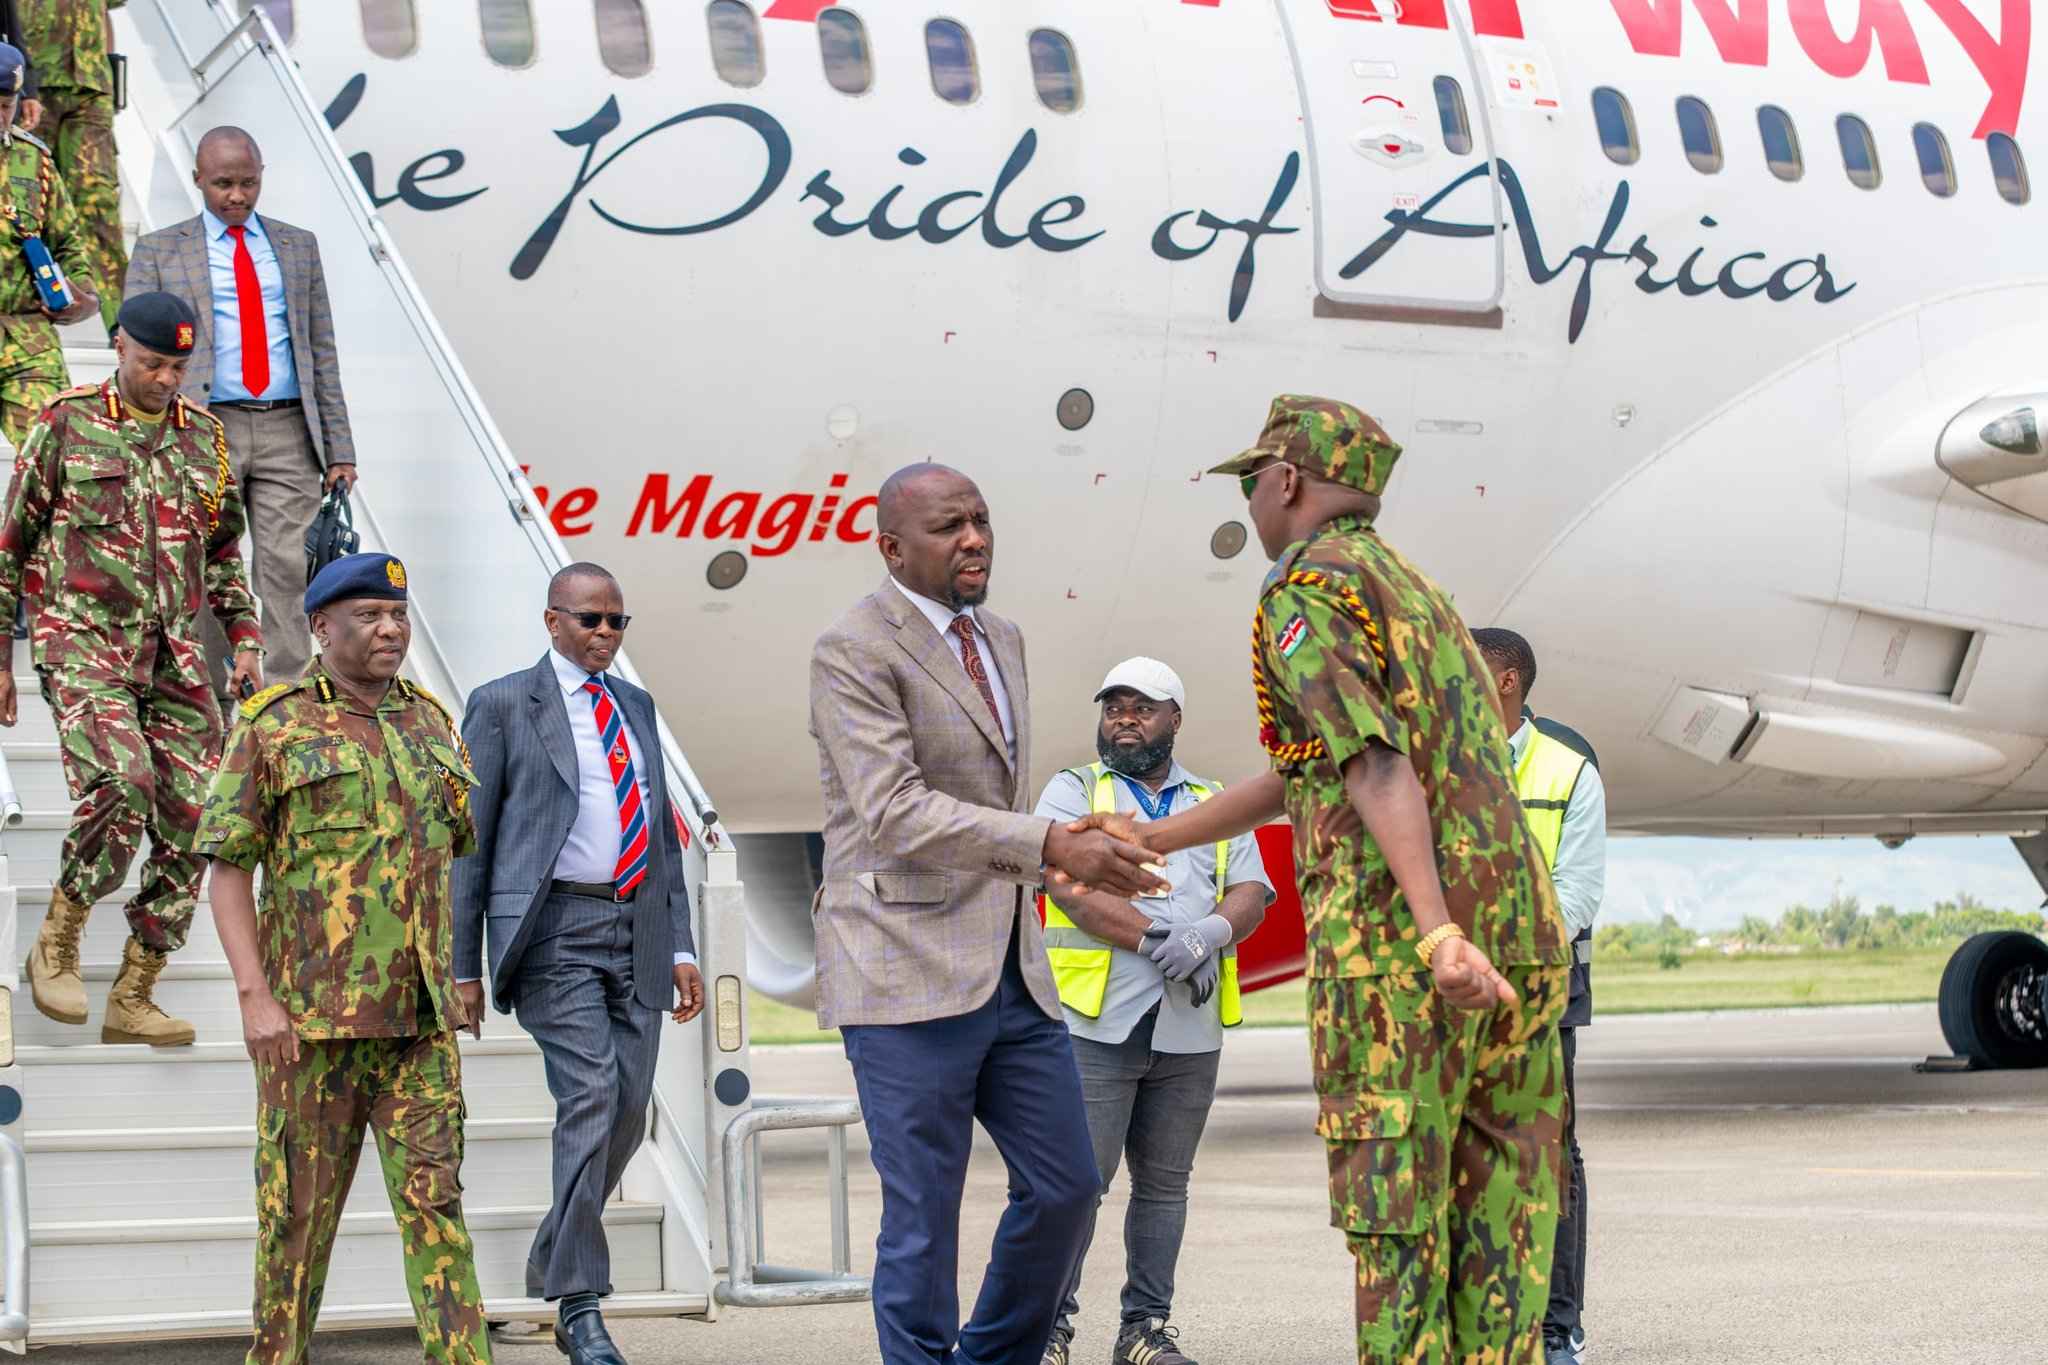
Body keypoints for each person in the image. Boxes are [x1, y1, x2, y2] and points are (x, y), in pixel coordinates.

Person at [1062, 396, 1573, 1365]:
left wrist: (1430, 932)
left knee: (1399, 1233)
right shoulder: (1411, 588)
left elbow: (1370, 766)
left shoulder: (1303, 589)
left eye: (1251, 480)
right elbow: (1303, 766)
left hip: (1404, 963)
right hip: (1515, 942)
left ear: (1286, 481)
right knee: (1499, 1228)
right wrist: (1158, 834)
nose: (1249, 500)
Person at [808, 461, 1169, 1365]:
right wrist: (1051, 845)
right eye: (948, 527)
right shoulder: (853, 648)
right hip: (903, 963)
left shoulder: (1000, 635)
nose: (975, 539)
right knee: (924, 1216)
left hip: (1011, 966)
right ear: (891, 546)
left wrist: (1071, 847)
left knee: (1067, 1186)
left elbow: (992, 793)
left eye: (981, 519)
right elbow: (892, 810)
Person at [196, 551, 491, 1365]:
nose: (390, 628)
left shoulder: (433, 721)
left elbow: (450, 860)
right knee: (295, 1227)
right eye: (368, 615)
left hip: (419, 1029)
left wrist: (460, 972)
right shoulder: (272, 722)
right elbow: (227, 866)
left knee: (439, 1210)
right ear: (321, 627)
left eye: (397, 613)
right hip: (309, 1030)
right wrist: (255, 997)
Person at [452, 561, 706, 1365]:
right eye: (590, 619)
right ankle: (581, 1302)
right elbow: (471, 846)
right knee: (592, 1088)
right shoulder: (501, 704)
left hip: (638, 924)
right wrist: (463, 964)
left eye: (616, 622)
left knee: (629, 1107)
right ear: (552, 620)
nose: (604, 634)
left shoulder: (635, 704)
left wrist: (682, 944)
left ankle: (555, 1254)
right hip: (553, 924)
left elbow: (661, 834)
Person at [0, 291, 259, 1046]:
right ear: (118, 346)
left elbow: (221, 552)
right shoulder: (65, 421)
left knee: (202, 813)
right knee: (124, 780)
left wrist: (243, 636)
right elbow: (10, 545)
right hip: (84, 644)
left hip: (176, 654)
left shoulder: (205, 442)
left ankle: (136, 987)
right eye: (152, 362)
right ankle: (61, 931)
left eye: (178, 366)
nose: (165, 378)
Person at [1035, 656, 1274, 1365]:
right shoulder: (1075, 789)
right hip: (1096, 1023)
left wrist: (1211, 932)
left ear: (1174, 718)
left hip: (1187, 1029)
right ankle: (1048, 1328)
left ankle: (1144, 1330)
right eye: (1115, 707)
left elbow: (1252, 890)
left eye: (1143, 707)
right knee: (1079, 1184)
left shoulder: (1212, 797)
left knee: (1166, 1185)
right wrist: (1150, 935)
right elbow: (1066, 885)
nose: (1125, 719)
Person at [126, 124, 358, 694]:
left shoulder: (297, 246)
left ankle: (285, 702)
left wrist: (340, 447)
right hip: (203, 426)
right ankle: (208, 699)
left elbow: (320, 347)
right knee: (204, 567)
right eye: (223, 184)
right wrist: (141, 435)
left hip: (287, 426)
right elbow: (135, 353)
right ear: (198, 179)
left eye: (248, 183)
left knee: (287, 568)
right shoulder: (160, 249)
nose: (237, 196)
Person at [1472, 627, 1607, 1365]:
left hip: (1540, 993)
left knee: (1548, 1162)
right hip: (1454, 993)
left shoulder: (1569, 770)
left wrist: (1486, 943)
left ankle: (1557, 1327)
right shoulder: (1437, 764)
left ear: (1508, 683)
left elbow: (1577, 893)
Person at [0, 39, 100, 448]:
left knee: (58, 460)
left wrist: (86, 299)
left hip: (28, 341)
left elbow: (69, 247)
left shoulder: (34, 161)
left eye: (5, 105)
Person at [15, 0, 121, 334]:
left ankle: (121, 323)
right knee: (22, 203)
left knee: (98, 201)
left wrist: (112, 81)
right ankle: (23, 315)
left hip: (90, 83)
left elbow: (105, 12)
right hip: (31, 83)